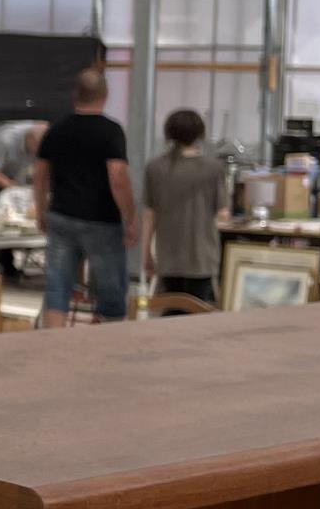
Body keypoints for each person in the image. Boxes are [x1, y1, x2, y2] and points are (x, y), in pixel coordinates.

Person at [33, 67, 136, 325]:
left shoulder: (56, 129)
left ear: (75, 94)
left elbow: (40, 174)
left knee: (57, 285)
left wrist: (41, 211)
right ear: (106, 94)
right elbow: (118, 179)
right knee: (111, 290)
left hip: (62, 216)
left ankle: (51, 343)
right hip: (101, 220)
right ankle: (109, 347)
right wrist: (130, 217)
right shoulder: (111, 131)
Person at [143, 107, 229, 306]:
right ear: (200, 134)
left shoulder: (155, 167)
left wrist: (146, 252)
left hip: (168, 256)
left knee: (170, 312)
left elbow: (149, 214)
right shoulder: (213, 168)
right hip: (202, 257)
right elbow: (223, 213)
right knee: (198, 313)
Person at [0, 116, 46, 208]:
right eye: (38, 149)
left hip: (13, 172)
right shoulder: (4, 140)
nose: (39, 153)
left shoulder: (42, 135)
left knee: (19, 206)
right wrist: (18, 191)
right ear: (31, 140)